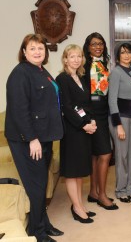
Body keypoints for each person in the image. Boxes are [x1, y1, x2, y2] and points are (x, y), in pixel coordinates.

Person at [5, 34, 64, 242]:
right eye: (32, 48)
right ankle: (37, 233)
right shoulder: (20, 74)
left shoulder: (41, 71)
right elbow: (20, 111)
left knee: (40, 183)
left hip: (44, 136)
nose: (38, 51)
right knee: (37, 187)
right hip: (28, 140)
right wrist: (31, 139)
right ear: (24, 52)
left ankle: (43, 224)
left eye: (41, 48)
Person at [56, 44, 97, 224]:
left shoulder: (80, 77)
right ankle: (77, 208)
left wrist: (91, 120)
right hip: (73, 130)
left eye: (79, 56)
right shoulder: (62, 79)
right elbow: (67, 107)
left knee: (80, 170)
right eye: (72, 56)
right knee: (72, 172)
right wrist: (84, 124)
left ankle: (78, 205)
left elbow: (86, 104)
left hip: (84, 129)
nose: (76, 59)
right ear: (65, 59)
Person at [83, 32, 118, 210]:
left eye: (101, 44)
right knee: (105, 153)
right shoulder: (83, 65)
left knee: (96, 154)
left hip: (104, 111)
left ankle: (93, 192)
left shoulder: (103, 64)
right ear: (88, 47)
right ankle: (102, 196)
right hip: (92, 112)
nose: (98, 47)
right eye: (94, 44)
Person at [108, 43, 131, 203]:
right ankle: (121, 190)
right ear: (118, 55)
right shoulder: (115, 72)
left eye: (129, 52)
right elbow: (112, 100)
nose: (127, 55)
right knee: (122, 155)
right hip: (120, 118)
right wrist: (118, 125)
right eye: (123, 53)